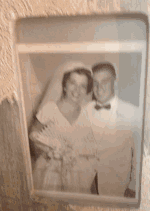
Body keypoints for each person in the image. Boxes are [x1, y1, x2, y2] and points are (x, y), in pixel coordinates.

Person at [29, 61, 98, 193]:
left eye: (82, 86)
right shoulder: (50, 108)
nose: (77, 90)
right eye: (73, 83)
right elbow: (33, 134)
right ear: (65, 85)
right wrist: (49, 149)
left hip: (78, 175)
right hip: (50, 172)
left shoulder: (88, 114)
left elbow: (92, 148)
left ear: (87, 90)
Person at [85, 61, 142, 198]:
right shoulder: (85, 110)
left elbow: (138, 155)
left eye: (105, 81)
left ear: (115, 82)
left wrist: (133, 186)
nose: (99, 87)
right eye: (95, 82)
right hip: (87, 185)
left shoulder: (132, 113)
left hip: (118, 187)